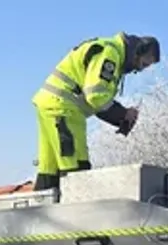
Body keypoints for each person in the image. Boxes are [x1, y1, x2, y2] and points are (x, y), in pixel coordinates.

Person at [31, 33, 161, 191]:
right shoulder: (111, 54)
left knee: (49, 169)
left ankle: (39, 213)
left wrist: (120, 117)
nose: (140, 69)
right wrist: (123, 114)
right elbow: (96, 96)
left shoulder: (109, 49)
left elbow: (95, 98)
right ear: (138, 52)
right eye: (143, 64)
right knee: (76, 168)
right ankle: (76, 213)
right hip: (64, 108)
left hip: (51, 104)